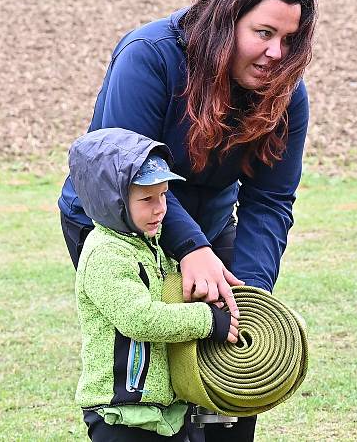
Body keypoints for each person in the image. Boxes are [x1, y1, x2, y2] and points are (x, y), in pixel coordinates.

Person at [58, 0, 317, 441]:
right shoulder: (150, 55)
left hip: (209, 221)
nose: (276, 53)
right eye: (262, 32)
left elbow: (271, 200)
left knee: (226, 361)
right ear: (227, 19)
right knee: (150, 368)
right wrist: (191, 250)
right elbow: (131, 174)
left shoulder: (285, 93)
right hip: (121, 224)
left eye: (288, 39)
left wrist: (250, 297)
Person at [69, 128, 238, 441]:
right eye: (147, 198)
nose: (160, 207)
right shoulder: (105, 253)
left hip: (163, 412)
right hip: (120, 414)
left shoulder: (153, 244)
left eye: (163, 195)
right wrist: (207, 320)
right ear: (111, 201)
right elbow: (140, 319)